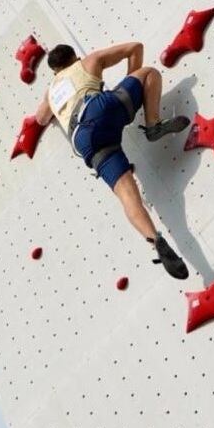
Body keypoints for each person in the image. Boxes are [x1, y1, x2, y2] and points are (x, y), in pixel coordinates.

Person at [34, 41, 190, 279]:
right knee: (149, 73)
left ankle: (155, 239)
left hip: (83, 141)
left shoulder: (51, 91)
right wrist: (129, 88)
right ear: (74, 58)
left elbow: (41, 118)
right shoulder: (88, 61)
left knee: (127, 195)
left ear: (55, 70)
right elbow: (135, 48)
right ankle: (152, 125)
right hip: (99, 109)